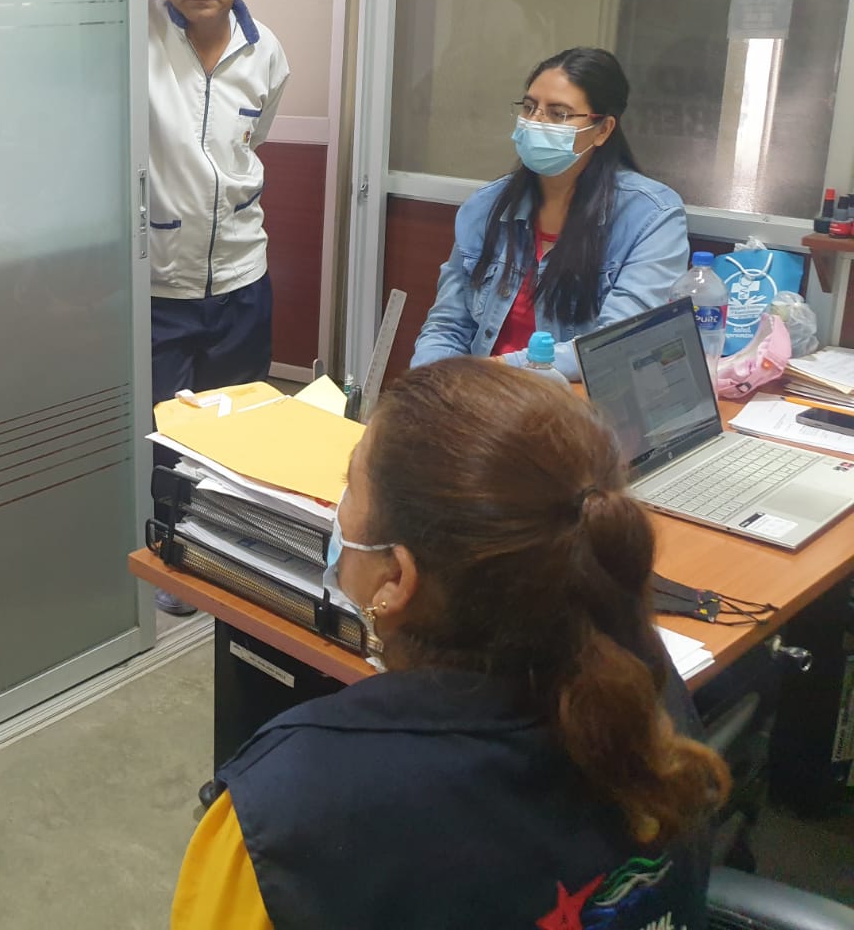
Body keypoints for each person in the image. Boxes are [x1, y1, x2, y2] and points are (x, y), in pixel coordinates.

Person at [170, 358, 729, 929]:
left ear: (395, 579)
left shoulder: (284, 812)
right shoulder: (641, 677)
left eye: (349, 486)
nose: (339, 510)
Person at [140, 0, 290, 615]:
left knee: (232, 427)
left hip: (240, 277)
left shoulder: (267, 54)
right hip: (156, 284)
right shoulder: (132, 33)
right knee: (164, 431)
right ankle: (167, 553)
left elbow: (250, 148)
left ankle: (220, 548)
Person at [411, 46, 688, 380]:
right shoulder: (486, 206)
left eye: (559, 114)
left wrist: (493, 374)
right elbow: (446, 328)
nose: (535, 122)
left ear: (602, 129)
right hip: (482, 399)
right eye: (529, 108)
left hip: (570, 403)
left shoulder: (651, 216)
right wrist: (430, 387)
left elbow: (616, 344)